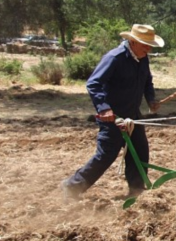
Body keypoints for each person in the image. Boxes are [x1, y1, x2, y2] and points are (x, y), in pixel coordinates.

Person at [61, 24, 165, 200]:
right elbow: (93, 83)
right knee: (106, 155)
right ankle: (72, 186)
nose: (148, 49)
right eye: (145, 44)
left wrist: (151, 99)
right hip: (113, 118)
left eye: (150, 45)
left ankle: (137, 191)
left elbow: (147, 81)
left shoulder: (142, 58)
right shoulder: (114, 58)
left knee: (140, 152)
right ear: (132, 41)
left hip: (132, 115)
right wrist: (104, 108)